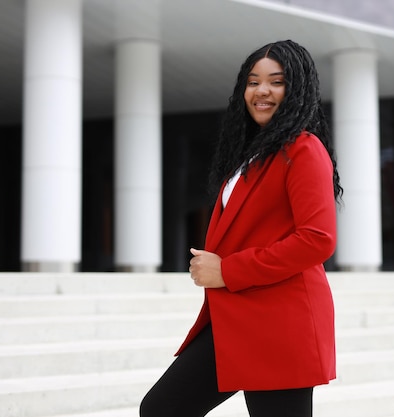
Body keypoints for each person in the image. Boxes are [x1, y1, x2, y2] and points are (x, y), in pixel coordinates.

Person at [139, 39, 342, 417]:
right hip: (239, 316)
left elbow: (317, 240)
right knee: (162, 409)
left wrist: (227, 270)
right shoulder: (253, 154)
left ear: (296, 89)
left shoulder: (303, 148)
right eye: (253, 81)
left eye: (276, 81)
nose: (262, 90)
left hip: (280, 320)